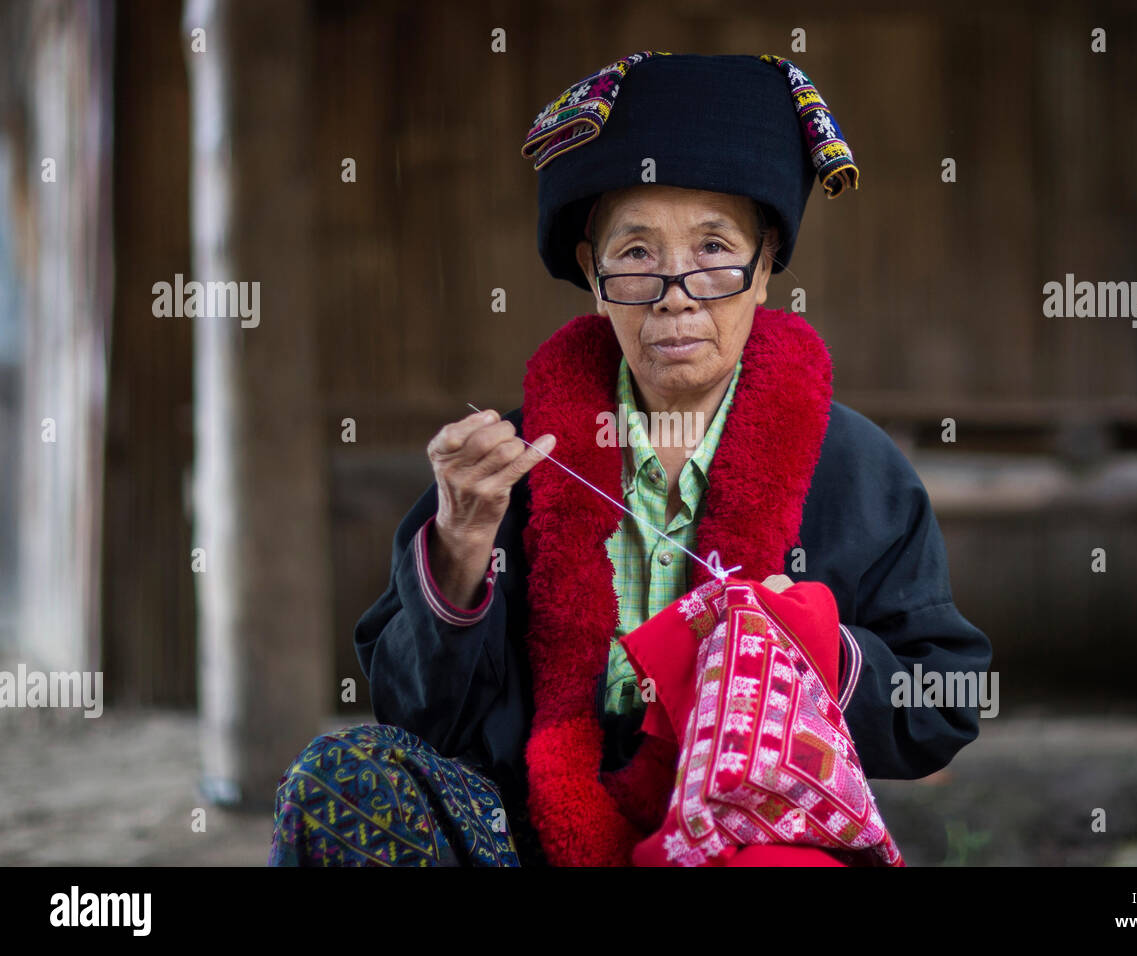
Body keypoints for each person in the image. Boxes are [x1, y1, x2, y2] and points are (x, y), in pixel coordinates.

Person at [269, 51, 992, 867]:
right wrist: (461, 551)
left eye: (715, 249)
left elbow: (945, 707)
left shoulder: (851, 466)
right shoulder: (515, 465)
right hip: (531, 835)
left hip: (744, 833)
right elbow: (416, 719)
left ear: (764, 272)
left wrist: (818, 647)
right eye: (638, 254)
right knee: (339, 780)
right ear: (593, 274)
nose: (677, 290)